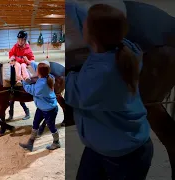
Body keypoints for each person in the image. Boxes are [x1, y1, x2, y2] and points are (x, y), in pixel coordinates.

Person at [65, 3, 153, 180]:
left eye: (86, 24)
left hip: (122, 155)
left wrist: (46, 72)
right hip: (105, 147)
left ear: (91, 34)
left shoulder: (103, 73)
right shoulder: (120, 49)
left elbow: (72, 91)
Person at [19, 60, 60, 152]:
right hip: (42, 108)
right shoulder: (49, 76)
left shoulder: (41, 85)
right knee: (35, 123)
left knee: (51, 126)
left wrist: (24, 81)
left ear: (39, 72)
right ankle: (30, 143)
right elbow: (39, 67)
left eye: (37, 70)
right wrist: (29, 62)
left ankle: (56, 142)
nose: (35, 70)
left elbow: (30, 89)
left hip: (49, 110)